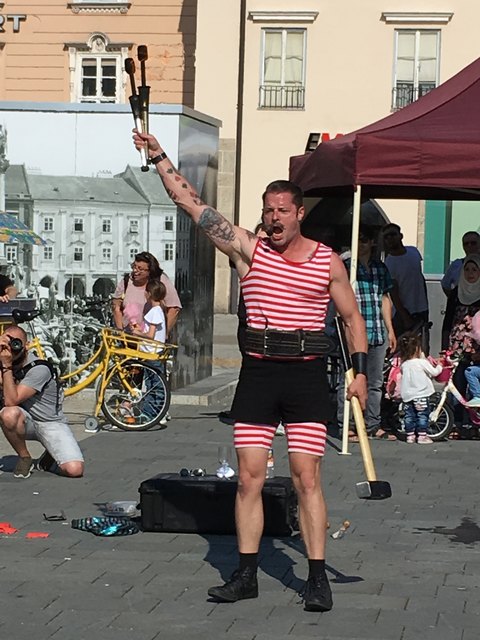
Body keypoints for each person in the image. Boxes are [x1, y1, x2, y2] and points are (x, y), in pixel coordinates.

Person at [133, 129, 368, 613]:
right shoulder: (248, 250)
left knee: (306, 478)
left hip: (305, 375)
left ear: (300, 213)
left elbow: (351, 318)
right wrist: (158, 157)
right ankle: (245, 574)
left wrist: (360, 373)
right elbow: (192, 204)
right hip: (260, 375)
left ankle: (316, 578)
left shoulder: (326, 262)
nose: (274, 217)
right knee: (248, 478)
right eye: (268, 210)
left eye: (283, 210)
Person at [0, 324, 84, 479]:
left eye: (16, 343)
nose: (11, 349)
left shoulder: (39, 368)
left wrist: (6, 366)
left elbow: (12, 400)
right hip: (25, 420)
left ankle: (50, 457)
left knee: (74, 470)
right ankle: (24, 457)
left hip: (50, 422)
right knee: (8, 414)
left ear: (26, 346)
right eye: (7, 343)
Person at [337, 225, 397, 441]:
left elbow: (385, 299)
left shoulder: (380, 268)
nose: (360, 244)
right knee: (348, 380)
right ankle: (347, 424)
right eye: (357, 240)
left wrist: (390, 330)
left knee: (375, 383)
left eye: (364, 240)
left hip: (377, 330)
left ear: (371, 243)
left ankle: (373, 424)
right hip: (353, 332)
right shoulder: (345, 267)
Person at [382, 223, 429, 351]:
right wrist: (404, 316)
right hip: (403, 312)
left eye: (393, 234)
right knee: (404, 350)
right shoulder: (389, 262)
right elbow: (393, 291)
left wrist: (425, 302)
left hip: (421, 308)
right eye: (386, 237)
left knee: (422, 347)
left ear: (400, 236)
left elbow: (419, 277)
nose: (390, 239)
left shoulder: (414, 252)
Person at [112, 251, 181, 337]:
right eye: (134, 266)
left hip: (150, 341)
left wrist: (163, 335)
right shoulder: (126, 281)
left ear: (150, 271)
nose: (135, 271)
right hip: (127, 338)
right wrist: (120, 333)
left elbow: (174, 308)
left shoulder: (160, 280)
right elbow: (116, 307)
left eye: (140, 269)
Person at [398, 332, 442, 444]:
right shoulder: (422, 362)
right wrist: (440, 366)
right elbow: (434, 372)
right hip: (421, 395)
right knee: (422, 415)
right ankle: (422, 436)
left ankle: (410, 436)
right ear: (417, 349)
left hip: (407, 396)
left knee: (409, 416)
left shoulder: (404, 365)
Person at [441, 231, 480, 297]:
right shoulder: (456, 265)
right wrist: (454, 299)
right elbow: (445, 285)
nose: (469, 246)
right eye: (466, 244)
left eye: (473, 243)